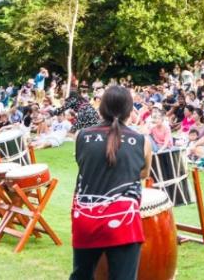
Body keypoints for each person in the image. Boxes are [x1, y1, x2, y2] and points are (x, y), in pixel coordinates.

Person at [70, 85, 152, 280]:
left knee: (81, 276)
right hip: (123, 220)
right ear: (130, 110)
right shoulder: (142, 141)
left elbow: (85, 165)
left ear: (101, 107)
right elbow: (144, 173)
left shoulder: (80, 136)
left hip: (86, 217)